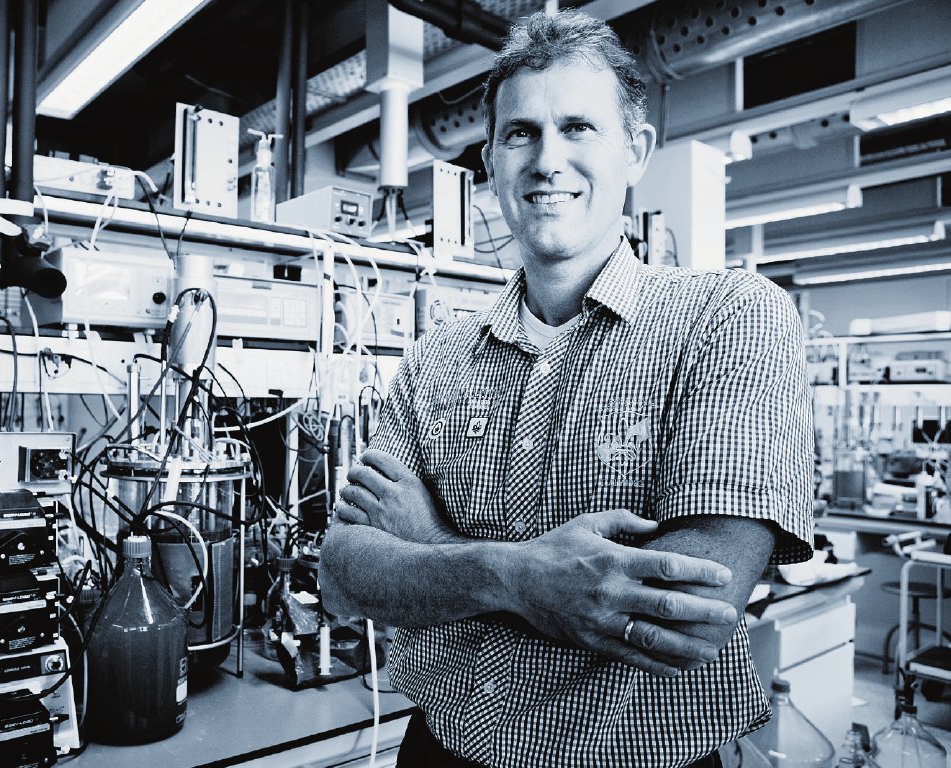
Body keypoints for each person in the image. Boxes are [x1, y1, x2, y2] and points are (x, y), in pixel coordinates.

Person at [321, 9, 814, 768]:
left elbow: (690, 614)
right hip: (441, 751)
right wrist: (519, 573)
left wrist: (433, 546)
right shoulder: (433, 361)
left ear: (636, 152)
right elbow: (345, 572)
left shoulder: (731, 319)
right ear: (490, 161)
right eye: (522, 133)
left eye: (579, 128)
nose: (547, 159)